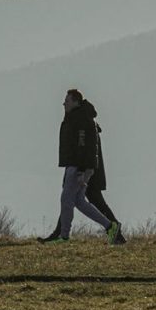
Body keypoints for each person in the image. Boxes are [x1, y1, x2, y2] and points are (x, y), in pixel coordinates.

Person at [40, 94, 126, 244]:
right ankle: (111, 228)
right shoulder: (76, 117)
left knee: (71, 198)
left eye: (67, 101)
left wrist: (83, 170)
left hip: (81, 167)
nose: (63, 104)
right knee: (78, 200)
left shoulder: (81, 120)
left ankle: (63, 235)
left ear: (76, 102)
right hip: (79, 166)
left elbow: (83, 147)